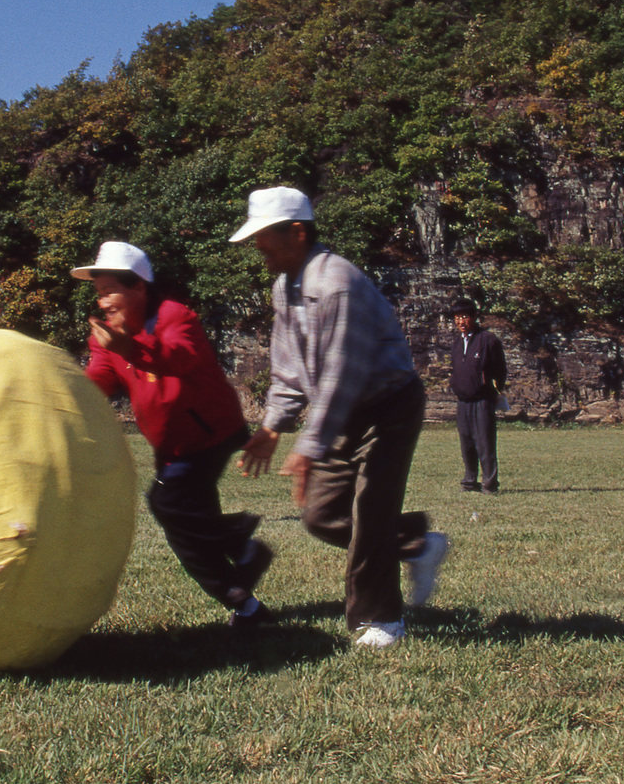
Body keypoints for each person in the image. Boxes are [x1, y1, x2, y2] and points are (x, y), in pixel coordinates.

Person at [230, 186, 450, 649]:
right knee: (321, 515)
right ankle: (416, 544)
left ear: (297, 232)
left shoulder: (338, 284)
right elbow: (289, 368)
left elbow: (340, 374)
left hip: (387, 406)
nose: (258, 246)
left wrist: (308, 446)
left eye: (264, 236)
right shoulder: (284, 287)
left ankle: (381, 620)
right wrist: (272, 426)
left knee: (369, 514)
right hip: (341, 413)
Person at [75, 241, 276, 626]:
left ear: (138, 286)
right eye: (98, 294)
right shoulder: (107, 335)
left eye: (109, 291)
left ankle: (240, 543)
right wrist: (66, 391)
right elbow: (99, 377)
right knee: (184, 526)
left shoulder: (175, 317)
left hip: (209, 435)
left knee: (168, 504)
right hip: (172, 446)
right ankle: (244, 601)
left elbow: (176, 358)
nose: (103, 302)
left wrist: (129, 346)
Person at [448, 297, 507, 494]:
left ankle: (489, 484)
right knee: (466, 443)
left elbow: (500, 370)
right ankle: (469, 481)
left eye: (465, 317)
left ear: (474, 317)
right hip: (463, 400)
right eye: (457, 318)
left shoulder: (488, 340)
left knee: (484, 443)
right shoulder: (456, 343)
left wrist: (494, 391)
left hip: (482, 400)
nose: (461, 322)